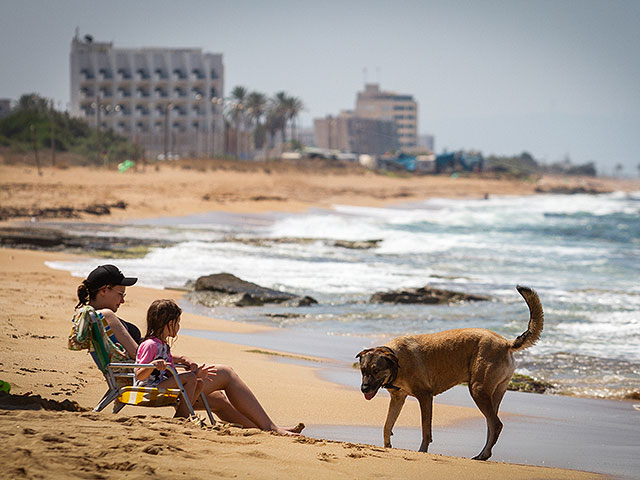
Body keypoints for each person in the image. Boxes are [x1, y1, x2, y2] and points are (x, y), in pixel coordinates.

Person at [73, 264, 303, 434]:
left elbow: (142, 351)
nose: (122, 300)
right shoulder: (107, 315)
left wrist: (178, 357)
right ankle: (271, 427)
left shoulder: (94, 315)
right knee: (226, 373)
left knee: (219, 399)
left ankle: (264, 431)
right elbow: (138, 354)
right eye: (119, 294)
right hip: (145, 382)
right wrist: (175, 364)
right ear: (104, 290)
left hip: (137, 378)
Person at [136, 299, 301, 435]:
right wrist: (154, 366)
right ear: (169, 323)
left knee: (201, 383)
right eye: (177, 322)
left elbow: (169, 371)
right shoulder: (151, 345)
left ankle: (266, 429)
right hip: (149, 388)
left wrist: (194, 371)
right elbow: (139, 374)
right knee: (216, 375)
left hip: (161, 385)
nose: (179, 327)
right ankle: (270, 428)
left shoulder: (162, 345)